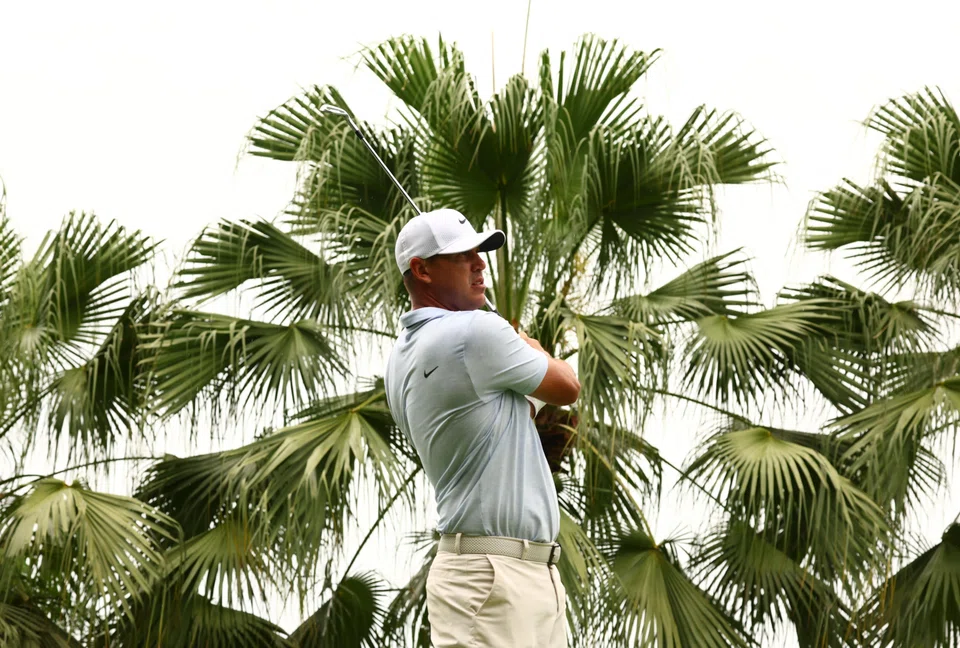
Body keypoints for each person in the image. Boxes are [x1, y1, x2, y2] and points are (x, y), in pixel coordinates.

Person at [384, 208, 581, 647]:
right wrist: (533, 347)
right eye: (461, 256)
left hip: (520, 577)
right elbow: (567, 386)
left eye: (480, 252)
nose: (479, 265)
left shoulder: (398, 362)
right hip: (489, 577)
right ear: (422, 270)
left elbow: (515, 413)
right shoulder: (475, 332)